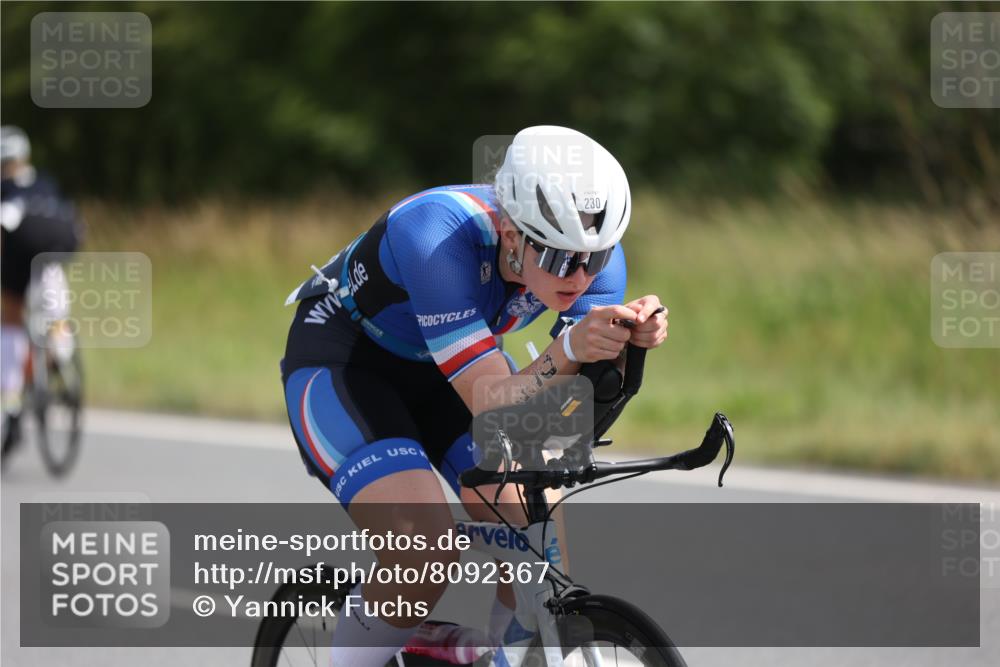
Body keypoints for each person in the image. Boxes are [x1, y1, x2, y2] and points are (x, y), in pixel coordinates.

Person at [280, 125, 668, 665]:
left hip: (453, 373)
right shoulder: (436, 235)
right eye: (558, 259)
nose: (580, 277)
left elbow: (560, 401)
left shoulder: (593, 262)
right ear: (511, 233)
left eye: (594, 257)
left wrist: (625, 348)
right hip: (348, 367)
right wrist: (576, 342)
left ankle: (501, 657)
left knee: (531, 517)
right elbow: (492, 400)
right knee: (424, 548)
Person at [1, 126, 82, 454]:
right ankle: (59, 349)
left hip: (20, 255)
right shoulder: (46, 183)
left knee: (9, 319)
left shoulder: (4, 190)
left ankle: (11, 394)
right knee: (54, 311)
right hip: (59, 250)